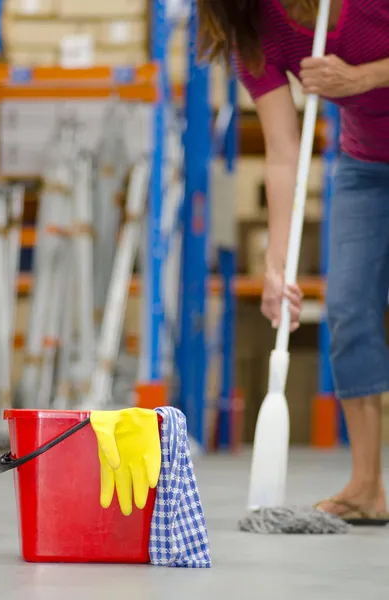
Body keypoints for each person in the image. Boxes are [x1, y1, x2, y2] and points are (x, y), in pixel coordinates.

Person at [197, 0, 389, 523]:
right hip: (366, 166)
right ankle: (368, 485)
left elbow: (359, 77)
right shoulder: (254, 31)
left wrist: (363, 77)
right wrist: (275, 268)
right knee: (349, 308)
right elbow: (283, 154)